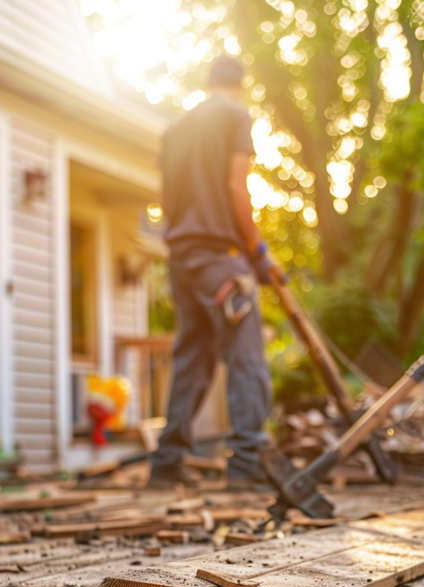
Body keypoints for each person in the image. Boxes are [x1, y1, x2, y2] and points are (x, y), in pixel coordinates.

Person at [149, 54, 281, 489]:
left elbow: (166, 200)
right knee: (245, 357)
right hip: (220, 255)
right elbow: (234, 186)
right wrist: (258, 254)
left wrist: (183, 237)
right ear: (239, 85)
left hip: (182, 256)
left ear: (209, 82)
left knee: (193, 358)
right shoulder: (235, 115)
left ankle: (167, 465)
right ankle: (247, 465)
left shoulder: (177, 128)